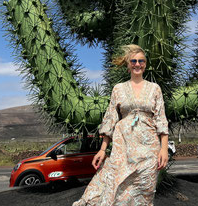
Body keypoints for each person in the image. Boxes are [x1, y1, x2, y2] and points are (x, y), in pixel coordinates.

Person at [72, 44, 169, 206]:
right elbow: (110, 119)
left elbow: (161, 119)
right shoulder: (118, 89)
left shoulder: (155, 89)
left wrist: (164, 149)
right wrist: (103, 150)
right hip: (122, 148)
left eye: (141, 61)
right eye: (133, 61)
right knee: (115, 186)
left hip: (148, 149)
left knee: (144, 191)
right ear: (128, 64)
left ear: (145, 64)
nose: (137, 64)